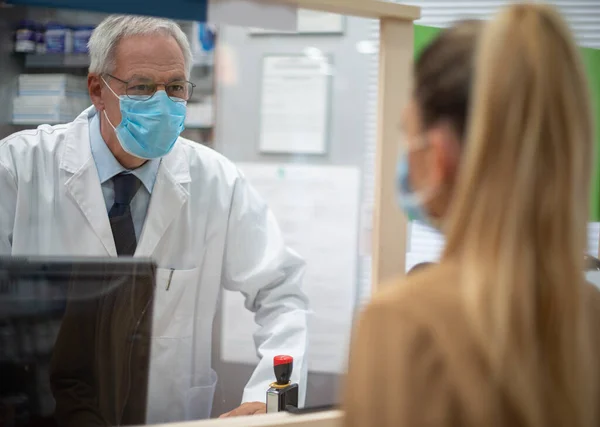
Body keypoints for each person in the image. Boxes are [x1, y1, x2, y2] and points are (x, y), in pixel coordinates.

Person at [0, 15, 309, 424]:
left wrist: (272, 396)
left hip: (170, 416)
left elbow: (281, 292)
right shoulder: (19, 169)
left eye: (176, 87)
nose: (163, 103)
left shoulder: (215, 180)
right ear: (98, 89)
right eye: (142, 87)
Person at [344, 4, 600, 427]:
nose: (405, 154)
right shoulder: (588, 314)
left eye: (408, 132)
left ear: (439, 153)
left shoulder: (403, 321)